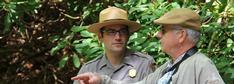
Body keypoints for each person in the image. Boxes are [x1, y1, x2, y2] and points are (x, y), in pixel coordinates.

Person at [72, 8, 224, 84]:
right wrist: (102, 80)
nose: (158, 35)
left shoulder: (200, 63)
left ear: (181, 35)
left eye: (163, 30)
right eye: (111, 32)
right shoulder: (167, 68)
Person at [73, 7, 155, 84]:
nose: (118, 37)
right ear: (100, 36)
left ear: (128, 35)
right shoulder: (89, 69)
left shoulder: (144, 64)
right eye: (111, 32)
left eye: (122, 31)